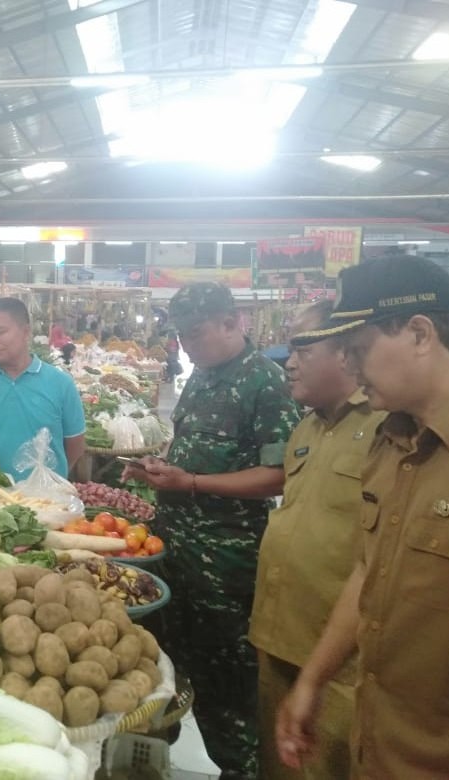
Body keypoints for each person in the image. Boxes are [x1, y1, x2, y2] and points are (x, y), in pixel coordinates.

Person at [276, 256, 449, 778]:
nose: (351, 368)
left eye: (358, 351)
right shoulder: (390, 441)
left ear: (420, 333)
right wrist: (313, 680)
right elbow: (368, 572)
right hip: (377, 744)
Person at [121, 282, 301, 779]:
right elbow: (193, 448)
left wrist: (193, 482)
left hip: (228, 563)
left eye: (195, 333)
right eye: (180, 336)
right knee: (173, 665)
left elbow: (280, 473)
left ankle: (239, 768)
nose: (188, 345)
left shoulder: (266, 382)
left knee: (228, 678)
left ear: (232, 321)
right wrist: (159, 468)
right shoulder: (200, 377)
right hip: (176, 549)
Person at [248, 299, 386, 780]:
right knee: (276, 765)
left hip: (339, 661)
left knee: (324, 766)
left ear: (347, 353)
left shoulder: (385, 428)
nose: (288, 361)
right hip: (278, 634)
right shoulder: (305, 426)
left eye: (303, 348)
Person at [0, 297, 85, 482]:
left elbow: (75, 445)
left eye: (0, 332)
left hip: (48, 503)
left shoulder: (61, 384)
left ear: (25, 332)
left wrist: (51, 478)